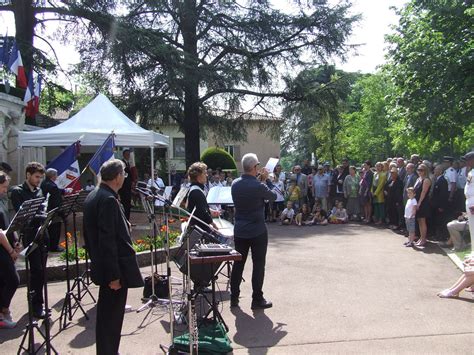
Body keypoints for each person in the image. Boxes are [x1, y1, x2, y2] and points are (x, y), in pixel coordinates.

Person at [83, 159, 144, 355]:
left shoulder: (96, 194)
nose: (125, 177)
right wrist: (114, 276)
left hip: (105, 267)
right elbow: (106, 242)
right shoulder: (107, 199)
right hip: (112, 272)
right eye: (124, 173)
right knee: (110, 319)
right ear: (118, 177)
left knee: (108, 317)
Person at [230, 153, 276, 309]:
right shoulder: (259, 185)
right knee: (258, 264)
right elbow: (273, 196)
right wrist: (267, 179)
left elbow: (253, 190)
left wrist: (260, 180)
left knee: (238, 264)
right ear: (255, 167)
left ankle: (234, 297)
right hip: (257, 230)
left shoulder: (235, 184)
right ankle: (257, 299)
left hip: (240, 229)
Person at [10, 162, 46, 319]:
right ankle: (35, 304)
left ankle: (40, 302)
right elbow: (23, 215)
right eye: (37, 177)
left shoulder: (39, 191)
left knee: (41, 271)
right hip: (30, 235)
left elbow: (42, 209)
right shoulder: (18, 191)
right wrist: (41, 215)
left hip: (42, 233)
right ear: (28, 175)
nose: (39, 180)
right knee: (36, 270)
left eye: (40, 177)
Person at [0, 171, 20, 329]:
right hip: (1, 249)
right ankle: (3, 310)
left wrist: (15, 242)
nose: (5, 190)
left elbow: (6, 224)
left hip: (5, 245)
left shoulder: (1, 201)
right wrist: (11, 251)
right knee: (13, 279)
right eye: (3, 187)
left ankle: (2, 313)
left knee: (4, 280)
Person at [185, 162, 219, 232]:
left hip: (199, 228)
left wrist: (210, 211)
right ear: (198, 176)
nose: (206, 175)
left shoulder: (196, 188)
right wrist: (213, 224)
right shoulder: (196, 191)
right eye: (204, 173)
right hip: (199, 230)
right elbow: (202, 212)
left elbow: (200, 206)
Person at [40, 168, 65, 252]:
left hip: (46, 210)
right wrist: (61, 212)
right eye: (56, 175)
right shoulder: (53, 186)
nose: (57, 176)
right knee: (55, 229)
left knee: (49, 229)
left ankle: (49, 245)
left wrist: (63, 191)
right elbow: (56, 199)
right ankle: (54, 247)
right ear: (53, 176)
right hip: (54, 211)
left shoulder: (44, 183)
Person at [413, 163, 432, 247]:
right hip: (416, 201)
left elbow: (423, 192)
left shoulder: (426, 180)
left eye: (421, 170)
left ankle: (424, 239)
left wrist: (419, 203)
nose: (419, 171)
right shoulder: (418, 179)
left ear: (425, 171)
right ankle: (421, 238)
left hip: (423, 202)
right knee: (419, 220)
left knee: (422, 220)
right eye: (418, 170)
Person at [431, 165, 449, 241]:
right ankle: (437, 235)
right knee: (436, 220)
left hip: (439, 205)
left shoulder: (442, 181)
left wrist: (441, 206)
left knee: (440, 221)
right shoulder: (438, 179)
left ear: (440, 171)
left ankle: (441, 236)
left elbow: (443, 195)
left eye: (436, 170)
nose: (434, 171)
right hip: (435, 205)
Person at [463, 151, 474, 253]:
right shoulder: (471, 171)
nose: (466, 162)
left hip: (473, 202)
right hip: (469, 201)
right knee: (472, 228)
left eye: (468, 160)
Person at [118, 149, 133, 220]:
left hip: (128, 188)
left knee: (128, 205)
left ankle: (127, 219)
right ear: (124, 155)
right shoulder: (122, 163)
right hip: (124, 188)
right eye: (127, 154)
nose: (128, 156)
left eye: (129, 155)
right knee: (125, 205)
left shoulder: (128, 163)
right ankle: (125, 220)